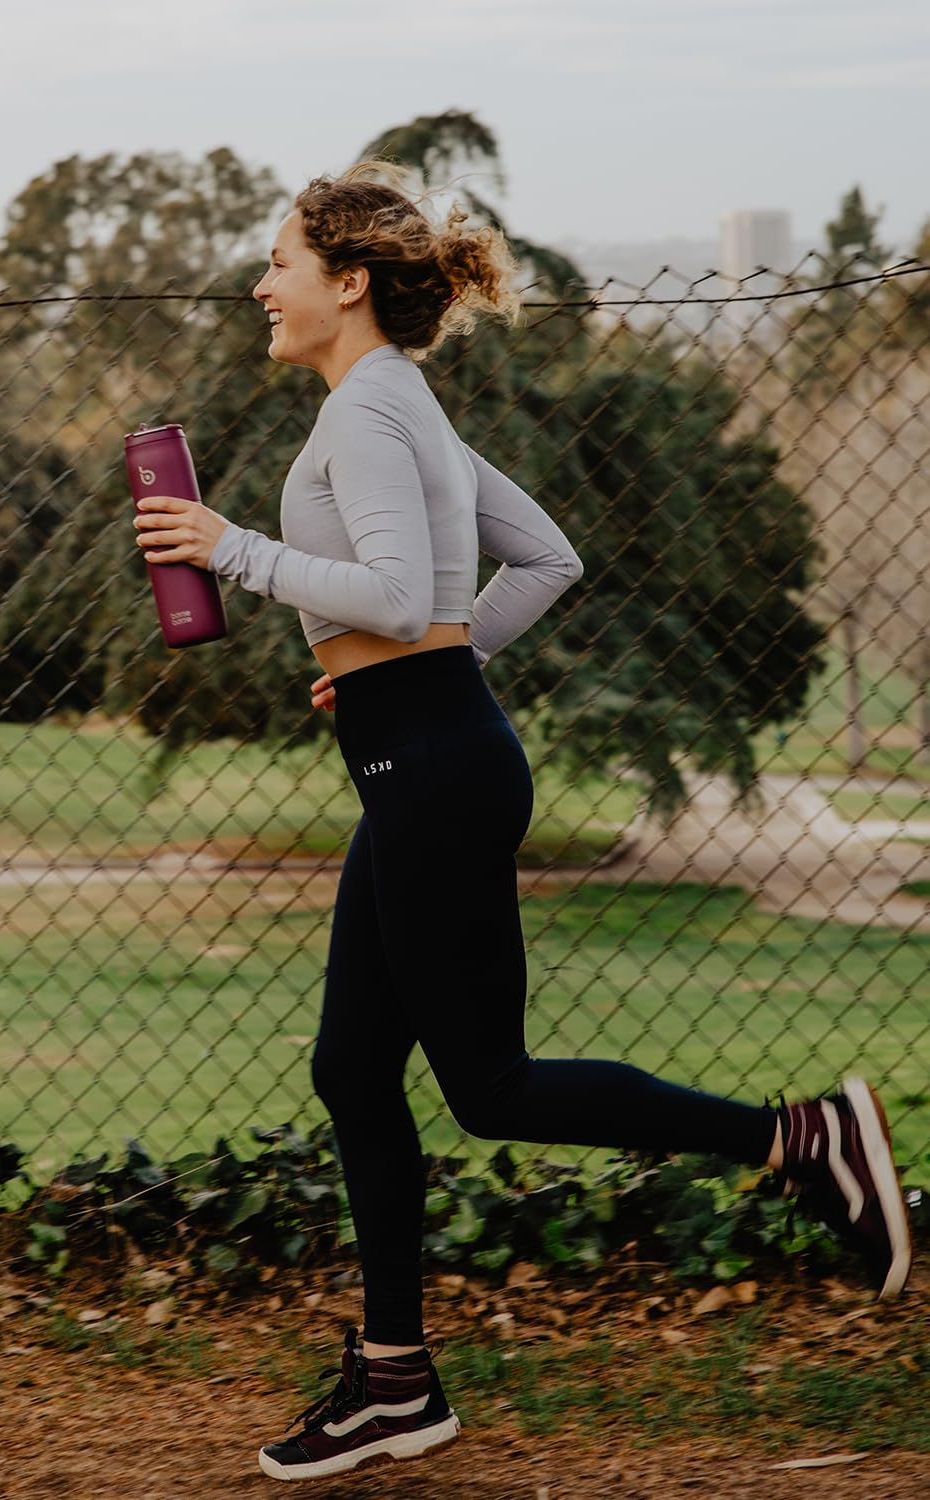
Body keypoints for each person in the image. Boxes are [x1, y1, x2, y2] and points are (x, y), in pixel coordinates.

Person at [131, 160, 913, 1484]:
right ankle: (396, 1382)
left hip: (434, 769)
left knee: (488, 1088)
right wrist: (425, 667)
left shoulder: (369, 412)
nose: (262, 285)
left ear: (347, 282)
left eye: (279, 263)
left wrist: (231, 549)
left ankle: (802, 1140)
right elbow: (546, 559)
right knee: (352, 1071)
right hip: (429, 752)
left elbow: (394, 594)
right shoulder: (400, 401)